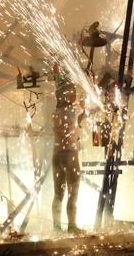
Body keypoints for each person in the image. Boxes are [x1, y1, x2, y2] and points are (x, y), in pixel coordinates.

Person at [52, 65, 84, 234]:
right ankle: (72, 225)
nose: (74, 94)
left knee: (58, 194)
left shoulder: (56, 111)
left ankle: (56, 226)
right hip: (70, 155)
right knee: (74, 190)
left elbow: (60, 87)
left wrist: (57, 72)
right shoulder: (73, 109)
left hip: (56, 154)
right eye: (72, 92)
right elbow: (85, 104)